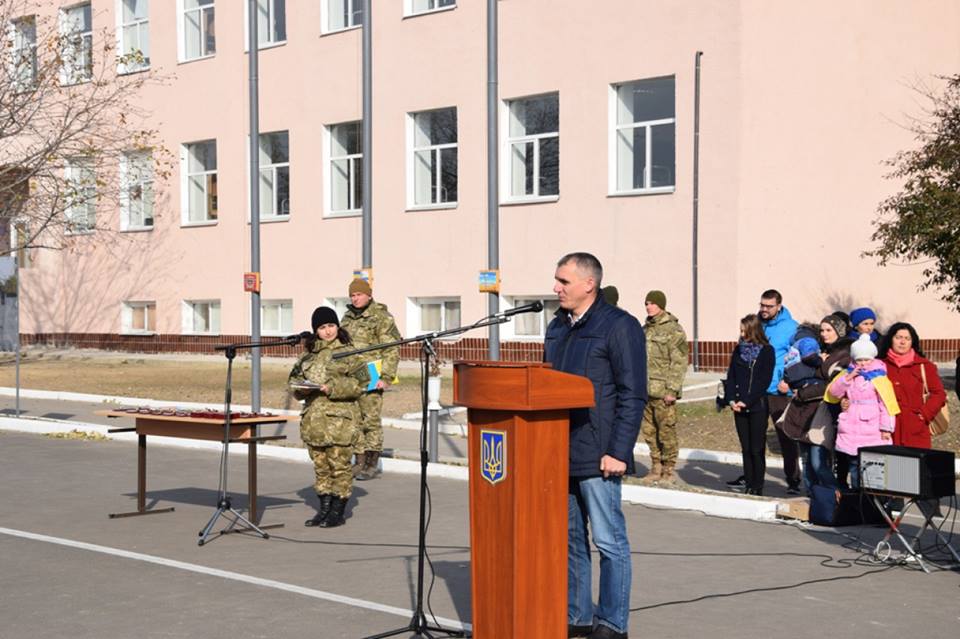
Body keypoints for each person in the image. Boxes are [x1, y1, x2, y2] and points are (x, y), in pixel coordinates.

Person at [544, 252, 646, 639]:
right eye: (556, 280)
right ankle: (578, 616)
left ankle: (612, 623)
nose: (556, 288)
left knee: (609, 542)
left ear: (589, 284)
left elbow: (632, 394)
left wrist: (618, 452)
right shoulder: (556, 327)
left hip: (600, 453)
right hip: (559, 451)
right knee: (571, 541)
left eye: (563, 281)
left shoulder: (619, 326)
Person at [289, 307, 368, 528]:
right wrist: (300, 389)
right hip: (315, 421)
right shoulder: (308, 355)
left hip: (340, 422)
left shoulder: (349, 352)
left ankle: (337, 511)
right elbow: (293, 380)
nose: (328, 331)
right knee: (321, 467)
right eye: (322, 327)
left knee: (339, 466)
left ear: (338, 326)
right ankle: (323, 510)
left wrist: (331, 387)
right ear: (316, 330)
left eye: (331, 325)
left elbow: (363, 383)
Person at [341, 278, 402, 480]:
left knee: (370, 420)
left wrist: (386, 377)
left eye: (358, 294)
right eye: (352, 295)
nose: (355, 298)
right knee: (354, 420)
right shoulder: (348, 317)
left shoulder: (381, 317)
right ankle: (358, 461)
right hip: (350, 376)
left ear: (368, 294)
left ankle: (371, 463)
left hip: (371, 373)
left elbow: (391, 349)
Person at [824, 334, 899, 489]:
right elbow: (833, 392)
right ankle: (856, 498)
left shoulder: (879, 377)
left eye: (866, 360)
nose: (863, 364)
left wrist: (886, 428)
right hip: (850, 427)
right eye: (859, 360)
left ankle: (869, 499)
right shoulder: (847, 374)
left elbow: (887, 404)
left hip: (872, 428)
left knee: (871, 469)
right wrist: (848, 377)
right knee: (853, 466)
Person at [639, 290, 688, 486]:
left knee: (666, 431)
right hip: (646, 390)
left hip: (663, 391)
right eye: (646, 303)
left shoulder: (673, 330)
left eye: (652, 303)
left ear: (661, 305)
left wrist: (672, 390)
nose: (648, 306)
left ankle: (669, 470)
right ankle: (655, 466)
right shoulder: (645, 329)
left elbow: (679, 361)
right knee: (649, 431)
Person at [722, 314, 775, 496]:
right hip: (738, 405)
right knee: (745, 448)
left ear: (754, 330)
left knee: (756, 448)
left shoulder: (767, 351)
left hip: (757, 405)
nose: (742, 334)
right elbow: (731, 376)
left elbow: (764, 381)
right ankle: (748, 483)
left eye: (745, 330)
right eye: (741, 330)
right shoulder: (738, 350)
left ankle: (757, 484)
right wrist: (731, 400)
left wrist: (748, 400)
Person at [759, 289, 801, 494]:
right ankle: (754, 476)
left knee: (785, 435)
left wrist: (788, 380)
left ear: (779, 306)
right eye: (762, 305)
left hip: (778, 389)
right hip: (757, 389)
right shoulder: (756, 324)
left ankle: (793, 479)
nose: (764, 309)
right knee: (755, 436)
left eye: (769, 306)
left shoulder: (791, 328)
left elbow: (797, 357)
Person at [879, 322, 947, 449]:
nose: (902, 342)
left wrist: (924, 414)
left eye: (907, 338)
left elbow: (939, 393)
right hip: (886, 429)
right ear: (891, 340)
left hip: (915, 428)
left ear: (912, 342)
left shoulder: (925, 366)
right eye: (898, 337)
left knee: (914, 466)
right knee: (889, 466)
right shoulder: (879, 365)